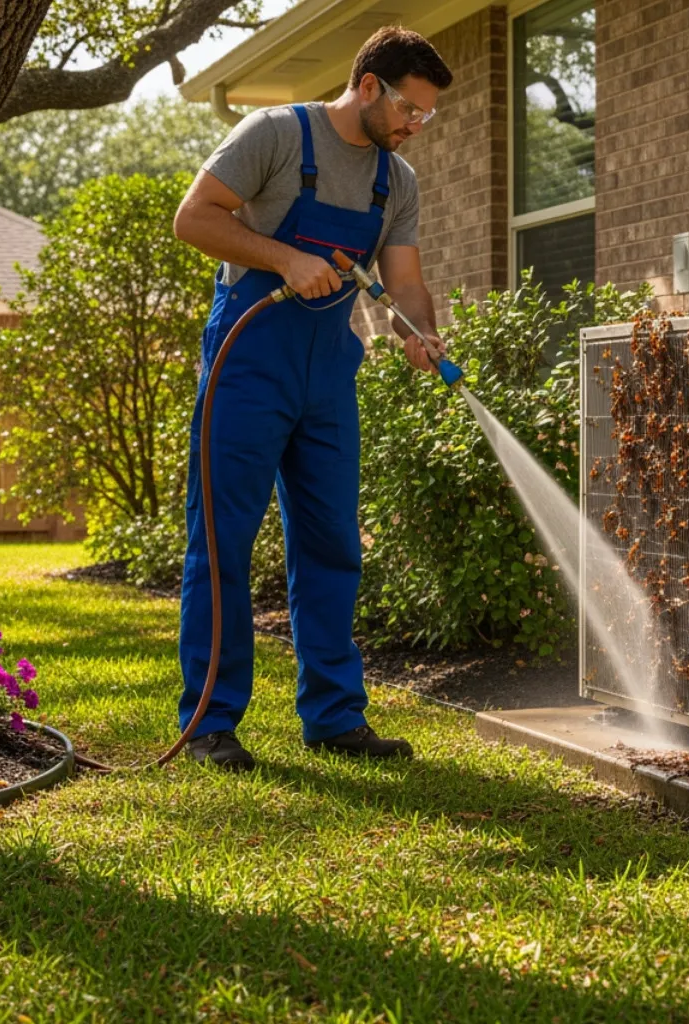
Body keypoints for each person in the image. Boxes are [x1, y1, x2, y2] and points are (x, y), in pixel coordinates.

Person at [171, 26, 453, 770]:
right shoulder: (274, 134)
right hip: (247, 361)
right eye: (409, 109)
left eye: (426, 115)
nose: (415, 125)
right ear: (369, 86)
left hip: (327, 372)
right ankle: (209, 722)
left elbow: (405, 282)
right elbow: (193, 217)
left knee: (332, 544)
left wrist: (421, 332)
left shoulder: (397, 181)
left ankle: (333, 716)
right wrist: (285, 258)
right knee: (223, 540)